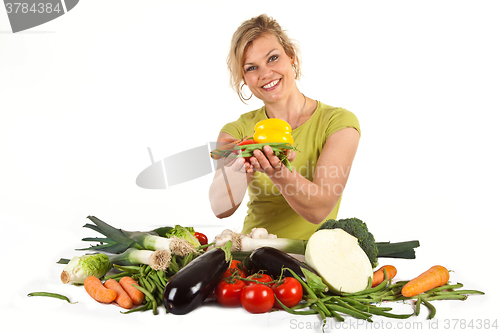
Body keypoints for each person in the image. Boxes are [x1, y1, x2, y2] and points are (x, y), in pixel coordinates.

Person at [209, 14, 360, 240]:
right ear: (244, 78)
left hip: (313, 262)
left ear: (291, 56)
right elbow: (220, 208)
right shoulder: (237, 131)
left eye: (272, 58)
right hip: (252, 255)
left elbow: (318, 210)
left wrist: (277, 171)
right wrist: (243, 163)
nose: (265, 74)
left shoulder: (337, 123)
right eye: (252, 67)